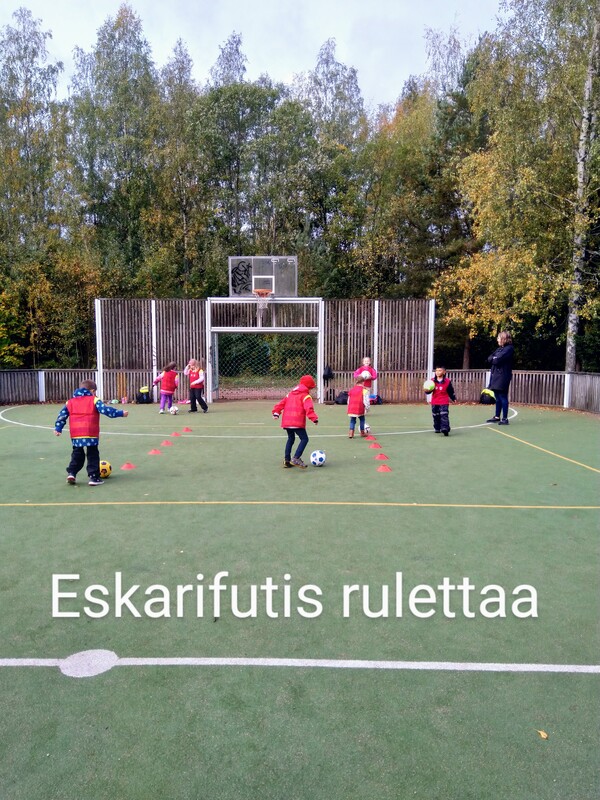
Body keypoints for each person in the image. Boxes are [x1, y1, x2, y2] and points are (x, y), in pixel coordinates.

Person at [54, 379, 128, 486]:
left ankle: (72, 473)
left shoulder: (70, 402)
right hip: (90, 432)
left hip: (76, 434)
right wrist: (120, 413)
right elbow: (106, 410)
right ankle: (93, 477)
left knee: (77, 453)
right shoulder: (94, 400)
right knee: (92, 454)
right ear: (92, 391)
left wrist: (58, 428)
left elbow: (62, 415)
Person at [272, 375, 319, 469]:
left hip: (286, 422)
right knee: (304, 439)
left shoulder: (290, 394)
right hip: (297, 422)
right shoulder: (306, 396)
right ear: (308, 387)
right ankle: (296, 458)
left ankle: (287, 460)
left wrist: (276, 412)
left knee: (291, 438)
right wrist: (314, 418)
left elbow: (281, 403)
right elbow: (309, 408)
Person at [486, 331, 514, 425]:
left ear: (503, 339)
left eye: (498, 338)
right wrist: (494, 358)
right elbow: (490, 358)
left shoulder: (509, 349)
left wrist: (495, 358)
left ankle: (505, 418)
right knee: (497, 396)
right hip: (496, 375)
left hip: (503, 376)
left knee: (502, 396)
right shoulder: (499, 349)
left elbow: (497, 360)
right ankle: (497, 416)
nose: (497, 340)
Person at [427, 366, 456, 436]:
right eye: (436, 370)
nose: (437, 372)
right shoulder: (432, 381)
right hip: (435, 401)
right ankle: (437, 427)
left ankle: (445, 428)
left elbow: (450, 391)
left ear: (444, 372)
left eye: (440, 370)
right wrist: (427, 390)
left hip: (444, 401)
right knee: (436, 415)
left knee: (444, 415)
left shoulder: (447, 381)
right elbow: (428, 391)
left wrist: (453, 398)